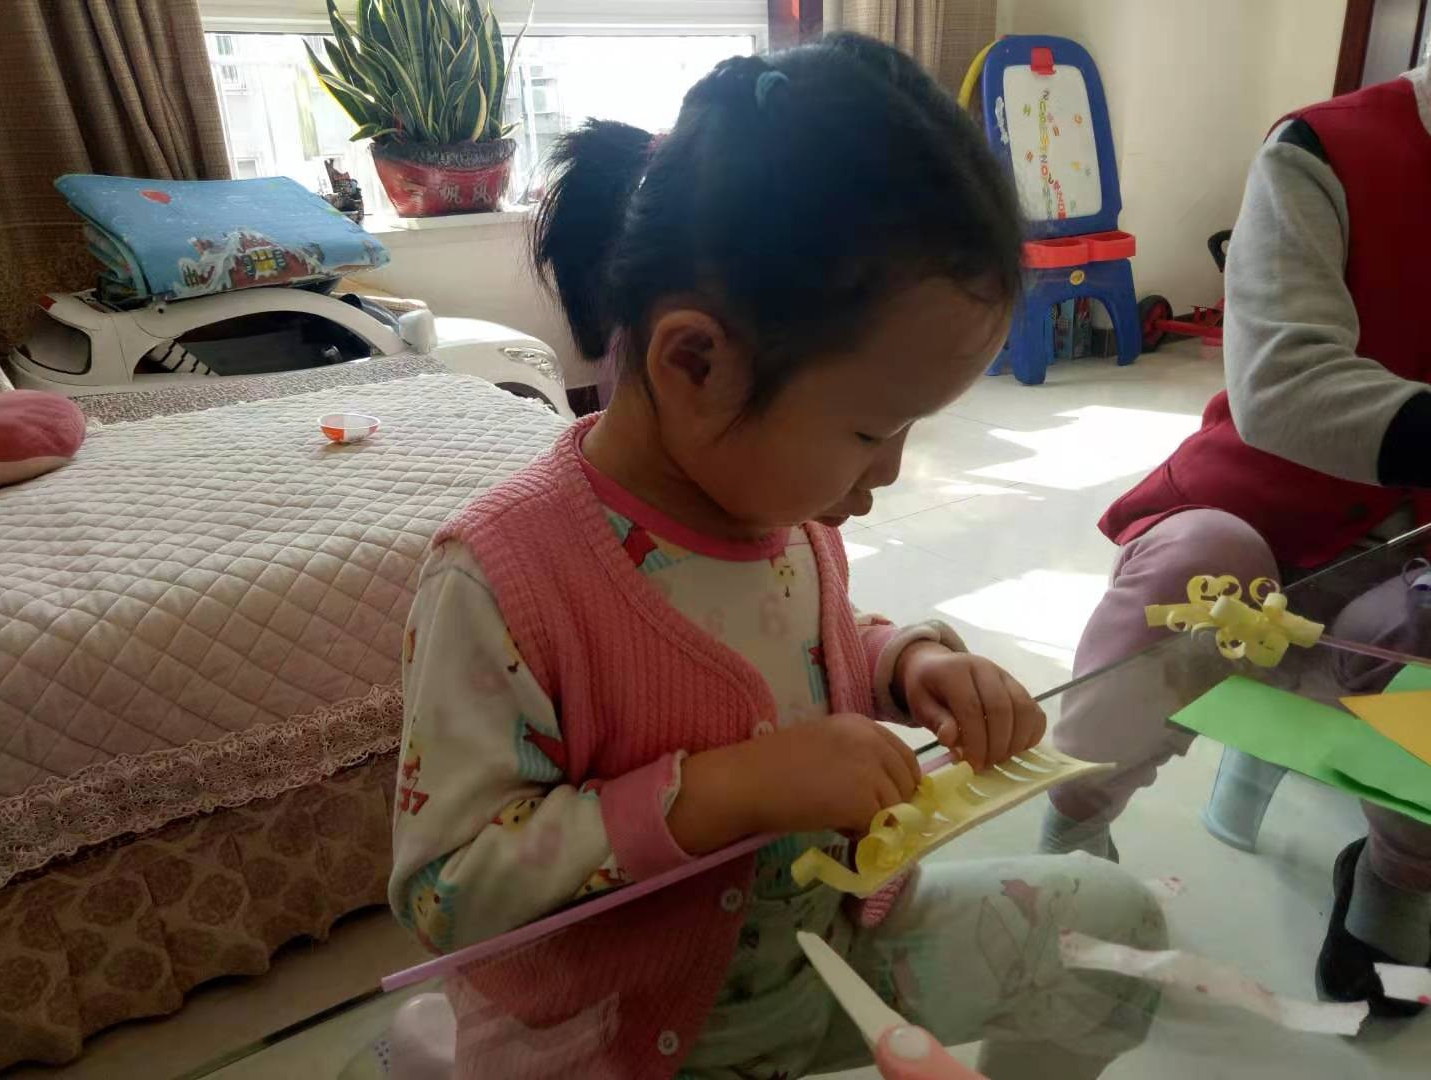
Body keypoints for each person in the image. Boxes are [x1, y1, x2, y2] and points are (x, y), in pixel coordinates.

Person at [388, 35, 1166, 1080]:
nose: (890, 471)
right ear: (695, 362)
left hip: (833, 946)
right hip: (625, 1034)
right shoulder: (499, 577)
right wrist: (728, 790)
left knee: (1116, 929)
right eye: (870, 429)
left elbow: (803, 644)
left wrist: (910, 665)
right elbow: (446, 890)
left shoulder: (778, 509)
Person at [1043, 63, 1431, 1017]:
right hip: (1263, 509)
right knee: (1192, 575)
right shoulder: (1323, 150)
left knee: (1419, 642)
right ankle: (1072, 825)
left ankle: (1402, 870)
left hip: (1413, 567)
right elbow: (1282, 383)